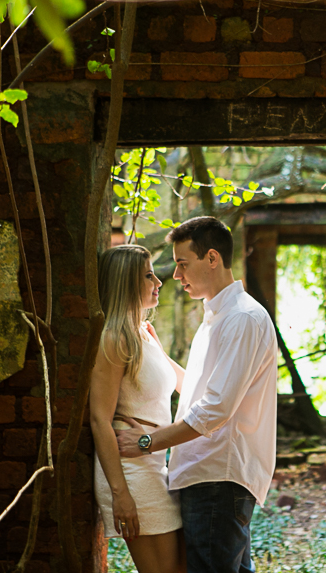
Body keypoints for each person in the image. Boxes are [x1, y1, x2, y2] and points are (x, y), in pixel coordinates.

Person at [116, 216, 278, 573]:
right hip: (207, 475)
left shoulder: (242, 318)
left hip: (218, 476)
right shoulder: (218, 317)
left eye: (182, 263)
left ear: (212, 258)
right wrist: (158, 356)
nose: (176, 275)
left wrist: (146, 442)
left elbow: (215, 408)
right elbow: (200, 389)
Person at [90, 244, 186, 573]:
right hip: (131, 472)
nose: (158, 282)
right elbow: (99, 419)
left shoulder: (144, 332)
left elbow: (186, 385)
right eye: (148, 276)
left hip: (156, 462)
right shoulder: (115, 339)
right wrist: (120, 495)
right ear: (126, 283)